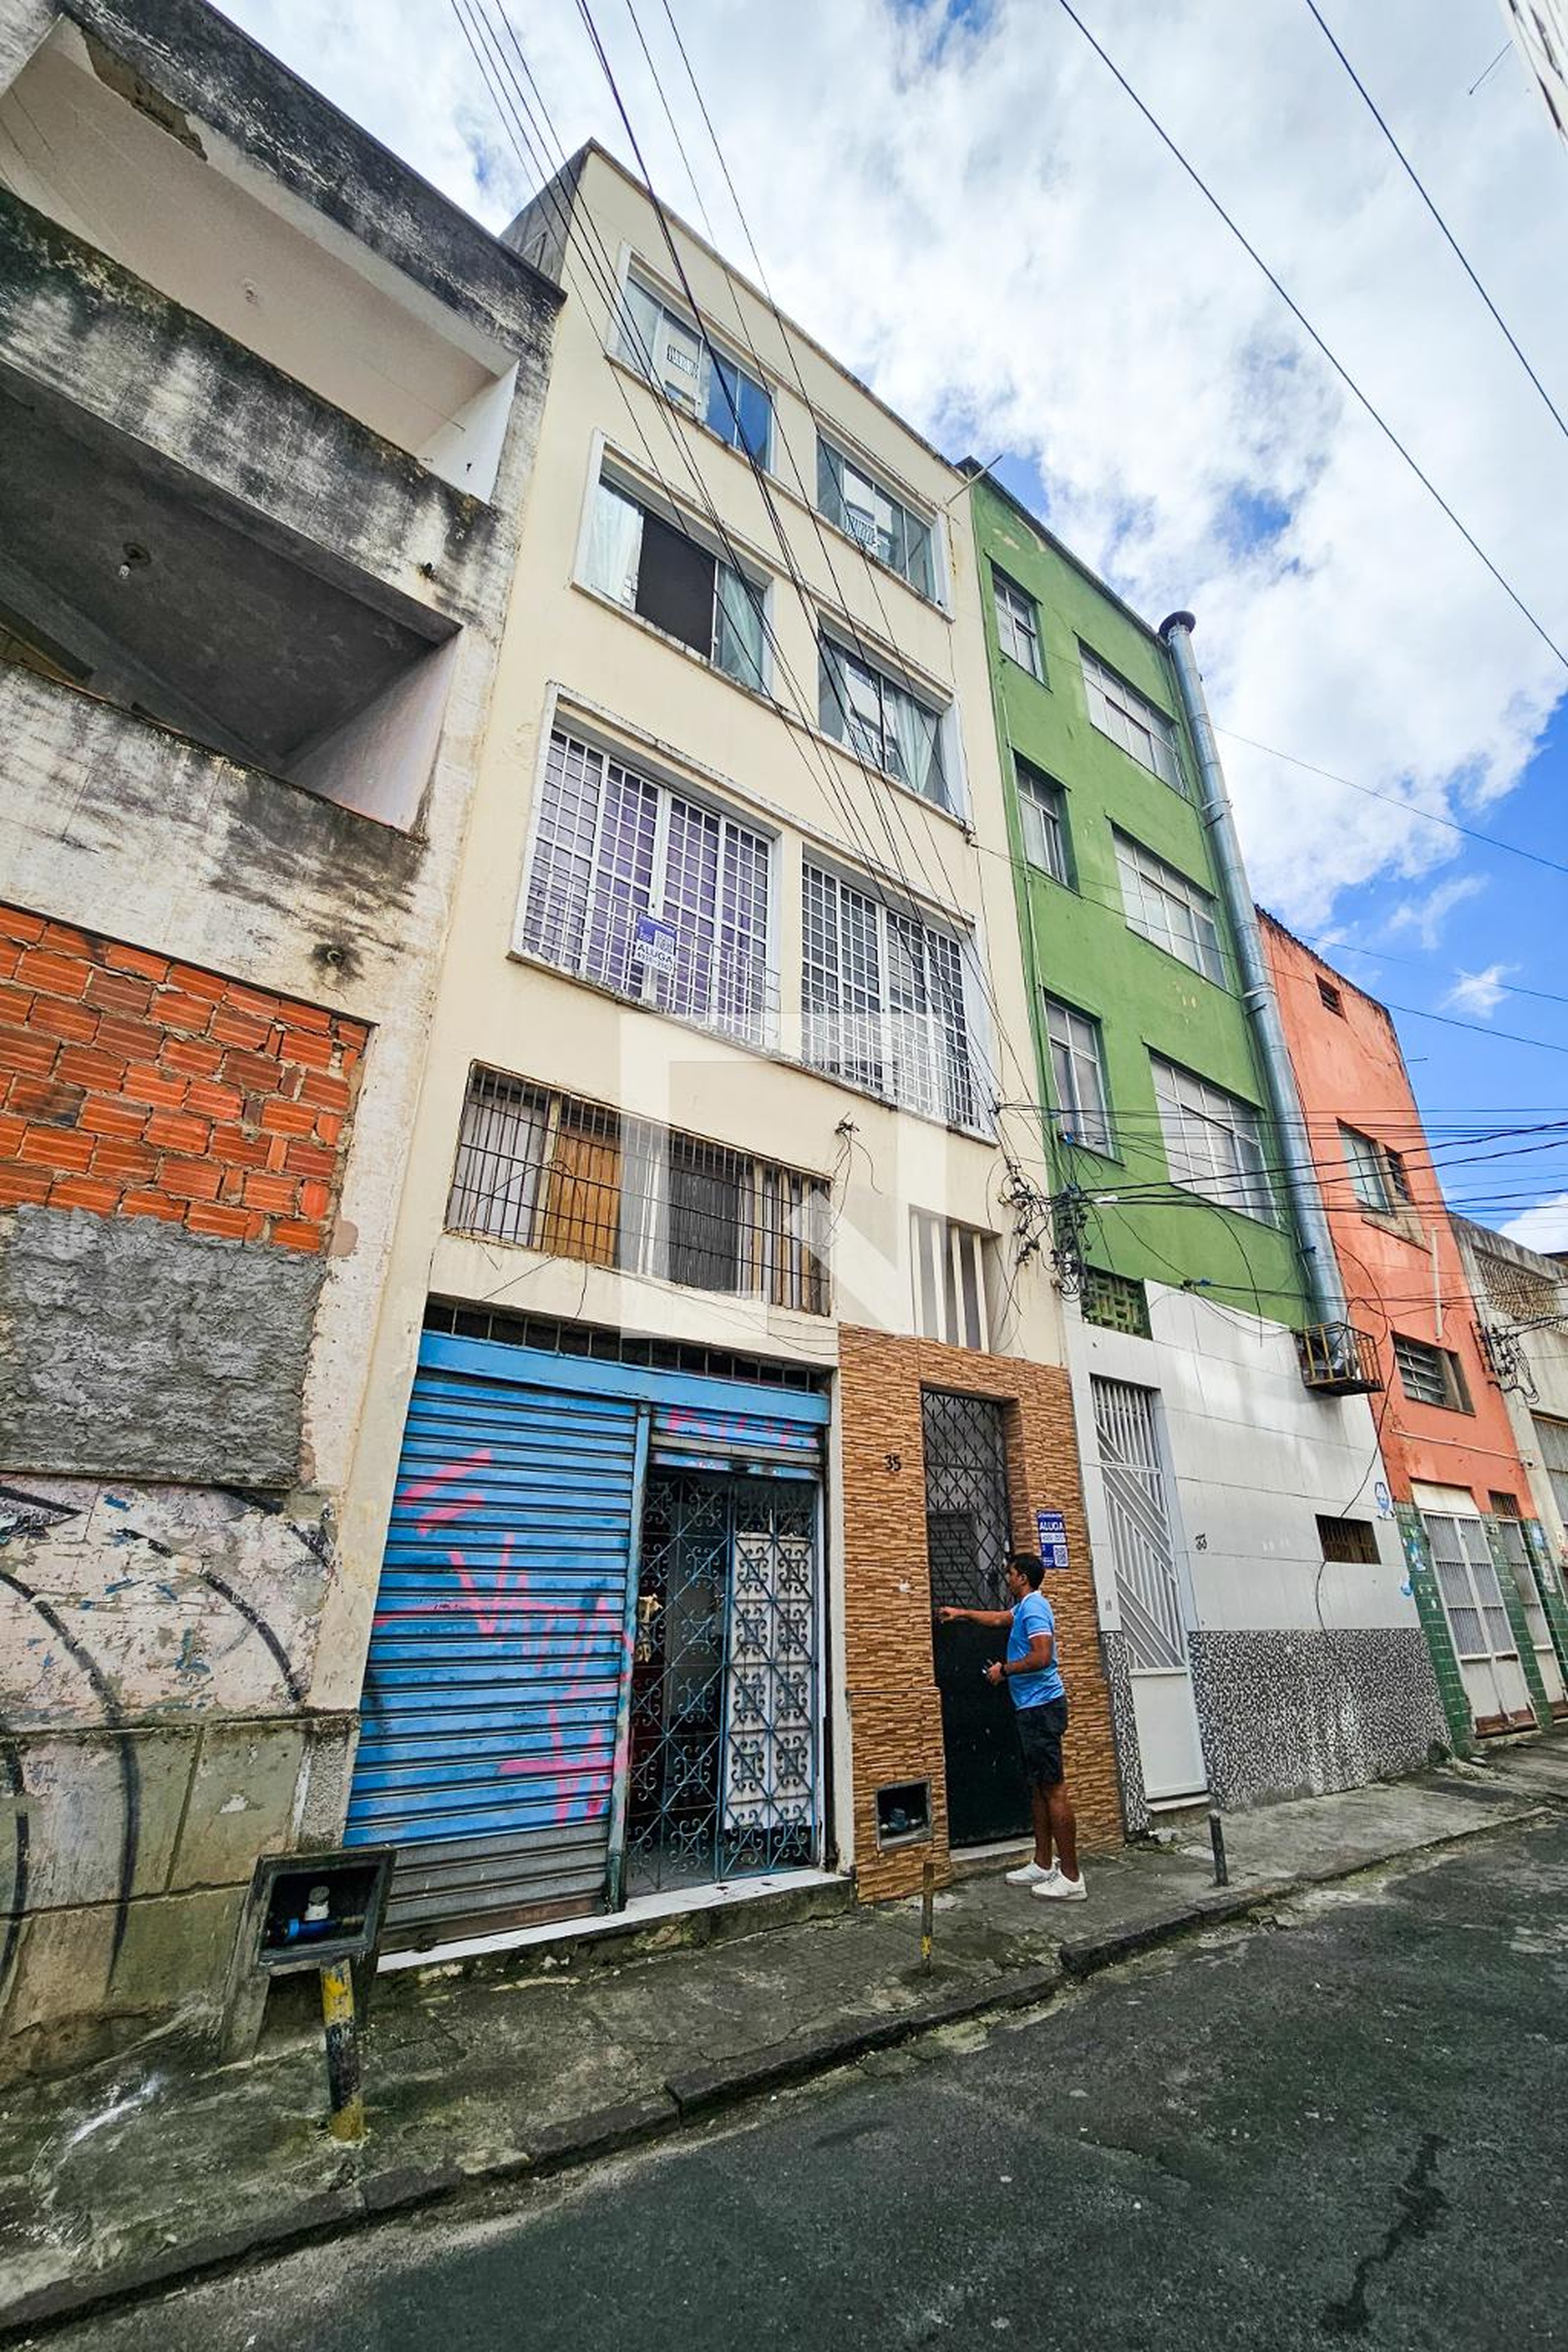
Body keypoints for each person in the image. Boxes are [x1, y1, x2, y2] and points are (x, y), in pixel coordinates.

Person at [937, 1552, 1085, 1901]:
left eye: (1010, 1574)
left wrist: (1004, 1670)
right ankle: (1043, 1863)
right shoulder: (1024, 1608)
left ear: (1023, 1578)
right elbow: (999, 1619)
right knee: (1039, 1787)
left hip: (1042, 1708)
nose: (1007, 1578)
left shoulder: (1035, 1609)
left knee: (1054, 1789)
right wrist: (962, 1613)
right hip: (1030, 1708)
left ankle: (1072, 1877)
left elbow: (1042, 1656)